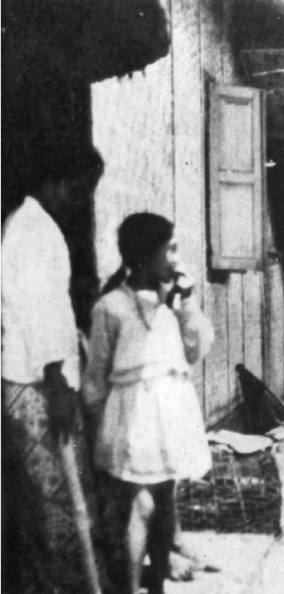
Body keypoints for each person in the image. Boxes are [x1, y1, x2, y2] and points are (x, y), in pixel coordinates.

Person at [83, 213, 214, 594]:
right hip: (134, 419)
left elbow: (194, 350)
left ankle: (156, 586)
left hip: (171, 416)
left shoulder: (172, 305)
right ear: (145, 252)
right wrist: (99, 426)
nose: (175, 257)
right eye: (170, 248)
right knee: (142, 506)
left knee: (165, 508)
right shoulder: (111, 307)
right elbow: (96, 376)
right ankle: (130, 588)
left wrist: (186, 303)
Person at [2, 141, 105, 594]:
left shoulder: (27, 226)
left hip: (36, 380)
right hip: (38, 384)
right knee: (56, 506)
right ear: (54, 182)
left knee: (50, 506)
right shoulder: (36, 231)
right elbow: (40, 314)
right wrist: (59, 388)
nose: (80, 200)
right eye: (78, 189)